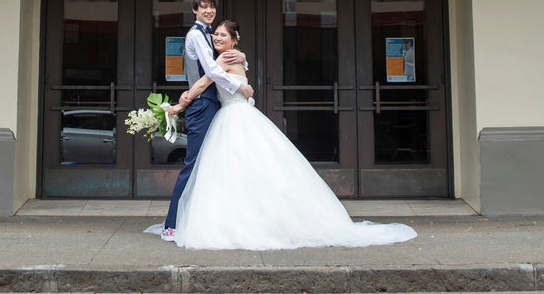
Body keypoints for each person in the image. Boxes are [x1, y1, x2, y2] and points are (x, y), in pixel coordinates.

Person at [158, 21, 416, 251]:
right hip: (233, 115)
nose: (217, 39)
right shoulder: (231, 57)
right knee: (243, 172)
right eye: (216, 35)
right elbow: (220, 79)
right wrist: (240, 84)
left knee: (235, 171)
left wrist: (181, 103)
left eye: (223, 36)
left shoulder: (227, 58)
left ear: (235, 40)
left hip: (235, 118)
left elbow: (206, 81)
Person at [156, 0, 251, 242]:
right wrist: (239, 87)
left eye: (212, 6)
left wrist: (242, 57)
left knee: (214, 164)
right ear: (195, 10)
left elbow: (225, 59)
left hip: (214, 103)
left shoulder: (211, 34)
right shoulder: (197, 35)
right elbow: (211, 69)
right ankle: (172, 224)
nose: (209, 10)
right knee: (194, 163)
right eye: (204, 6)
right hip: (202, 104)